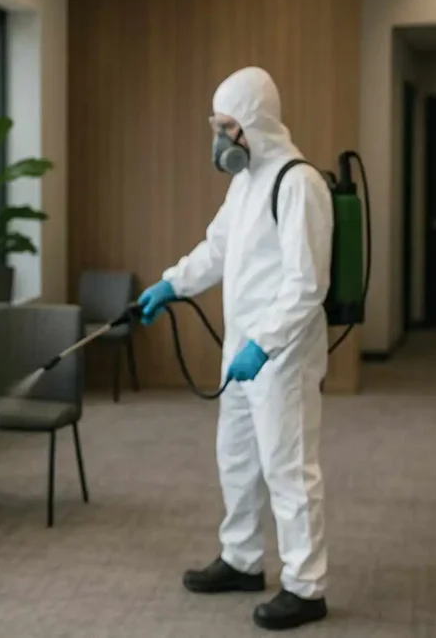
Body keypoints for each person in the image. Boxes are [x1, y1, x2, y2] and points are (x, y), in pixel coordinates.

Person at [138, 66, 333, 631]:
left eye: (227, 126)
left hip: (283, 357)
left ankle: (306, 584)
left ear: (254, 123)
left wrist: (266, 345)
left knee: (289, 469)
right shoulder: (245, 182)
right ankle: (242, 558)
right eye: (216, 126)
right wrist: (171, 283)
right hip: (242, 353)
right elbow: (216, 250)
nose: (219, 139)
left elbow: (307, 284)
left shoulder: (298, 184)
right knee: (238, 459)